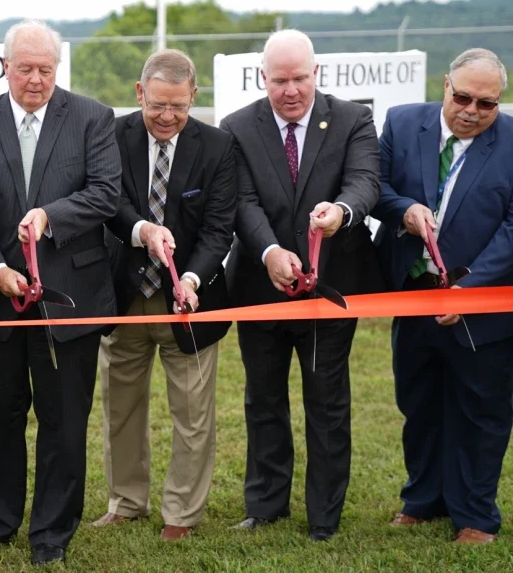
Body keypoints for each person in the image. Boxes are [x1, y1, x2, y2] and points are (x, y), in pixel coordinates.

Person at [0, 19, 121, 566]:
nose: (35, 79)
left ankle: (52, 531)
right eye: (24, 68)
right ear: (5, 67)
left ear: (57, 68)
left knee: (64, 421)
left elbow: (106, 193)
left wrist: (50, 215)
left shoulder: (93, 118)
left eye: (45, 69)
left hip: (70, 296)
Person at [218, 29, 382, 541]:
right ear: (263, 77)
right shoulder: (236, 127)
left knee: (327, 401)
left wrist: (342, 211)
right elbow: (241, 201)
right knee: (262, 398)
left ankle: (324, 516)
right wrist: (270, 251)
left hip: (332, 287)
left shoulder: (353, 119)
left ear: (317, 73)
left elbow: (365, 181)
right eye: (279, 80)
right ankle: (265, 505)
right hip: (259, 286)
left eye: (300, 79)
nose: (290, 90)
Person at [91, 48, 235, 540]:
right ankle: (126, 501)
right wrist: (142, 231)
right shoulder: (111, 136)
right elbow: (109, 203)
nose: (167, 116)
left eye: (178, 106)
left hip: (189, 301)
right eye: (157, 105)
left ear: (194, 95)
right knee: (120, 408)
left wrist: (190, 280)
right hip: (123, 295)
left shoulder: (218, 147)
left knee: (193, 413)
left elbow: (218, 230)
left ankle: (181, 513)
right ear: (139, 93)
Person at [372, 48, 513, 544]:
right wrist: (404, 208)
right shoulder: (402, 122)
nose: (472, 110)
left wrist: (467, 289)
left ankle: (475, 516)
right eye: (463, 97)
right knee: (419, 402)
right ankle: (423, 500)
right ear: (446, 85)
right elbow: (375, 186)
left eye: (487, 103)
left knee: (481, 410)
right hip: (412, 296)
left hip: (483, 304)